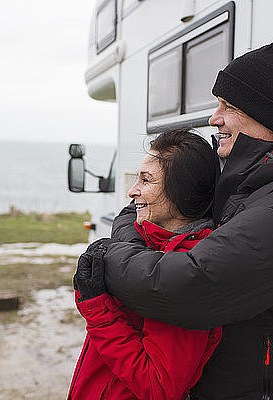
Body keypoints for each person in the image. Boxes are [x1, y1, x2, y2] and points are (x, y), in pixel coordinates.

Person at [92, 37, 273, 399]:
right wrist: (127, 234)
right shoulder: (253, 181)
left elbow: (191, 286)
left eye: (229, 106)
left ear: (269, 116)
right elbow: (144, 209)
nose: (213, 118)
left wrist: (104, 259)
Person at [68, 129, 222, 400]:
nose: (132, 190)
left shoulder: (183, 270)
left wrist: (98, 310)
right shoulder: (147, 244)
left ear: (181, 193)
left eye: (146, 180)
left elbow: (158, 388)